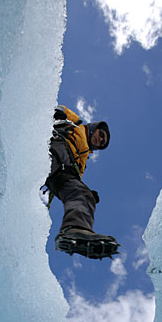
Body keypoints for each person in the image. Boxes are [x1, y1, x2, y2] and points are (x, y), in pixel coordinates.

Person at [44, 105, 119, 259]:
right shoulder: (76, 124)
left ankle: (75, 231)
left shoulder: (83, 160)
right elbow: (60, 109)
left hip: (60, 174)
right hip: (55, 150)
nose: (100, 140)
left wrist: (86, 193)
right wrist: (58, 112)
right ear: (94, 127)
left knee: (83, 195)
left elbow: (75, 182)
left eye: (102, 142)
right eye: (101, 134)